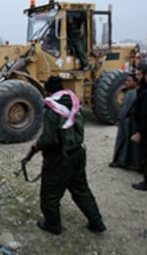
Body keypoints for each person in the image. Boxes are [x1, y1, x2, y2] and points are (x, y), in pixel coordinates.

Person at [32, 76, 106, 235]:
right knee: (81, 191)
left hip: (60, 158)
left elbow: (49, 139)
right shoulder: (74, 102)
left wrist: (37, 145)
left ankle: (53, 226)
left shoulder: (52, 108)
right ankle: (97, 223)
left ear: (49, 91)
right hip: (77, 153)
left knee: (50, 195)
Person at [109, 73, 141, 170]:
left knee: (123, 141)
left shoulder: (131, 94)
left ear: (135, 82)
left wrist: (119, 119)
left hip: (127, 121)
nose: (126, 83)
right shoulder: (138, 92)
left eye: (129, 81)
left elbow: (125, 109)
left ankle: (122, 161)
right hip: (132, 121)